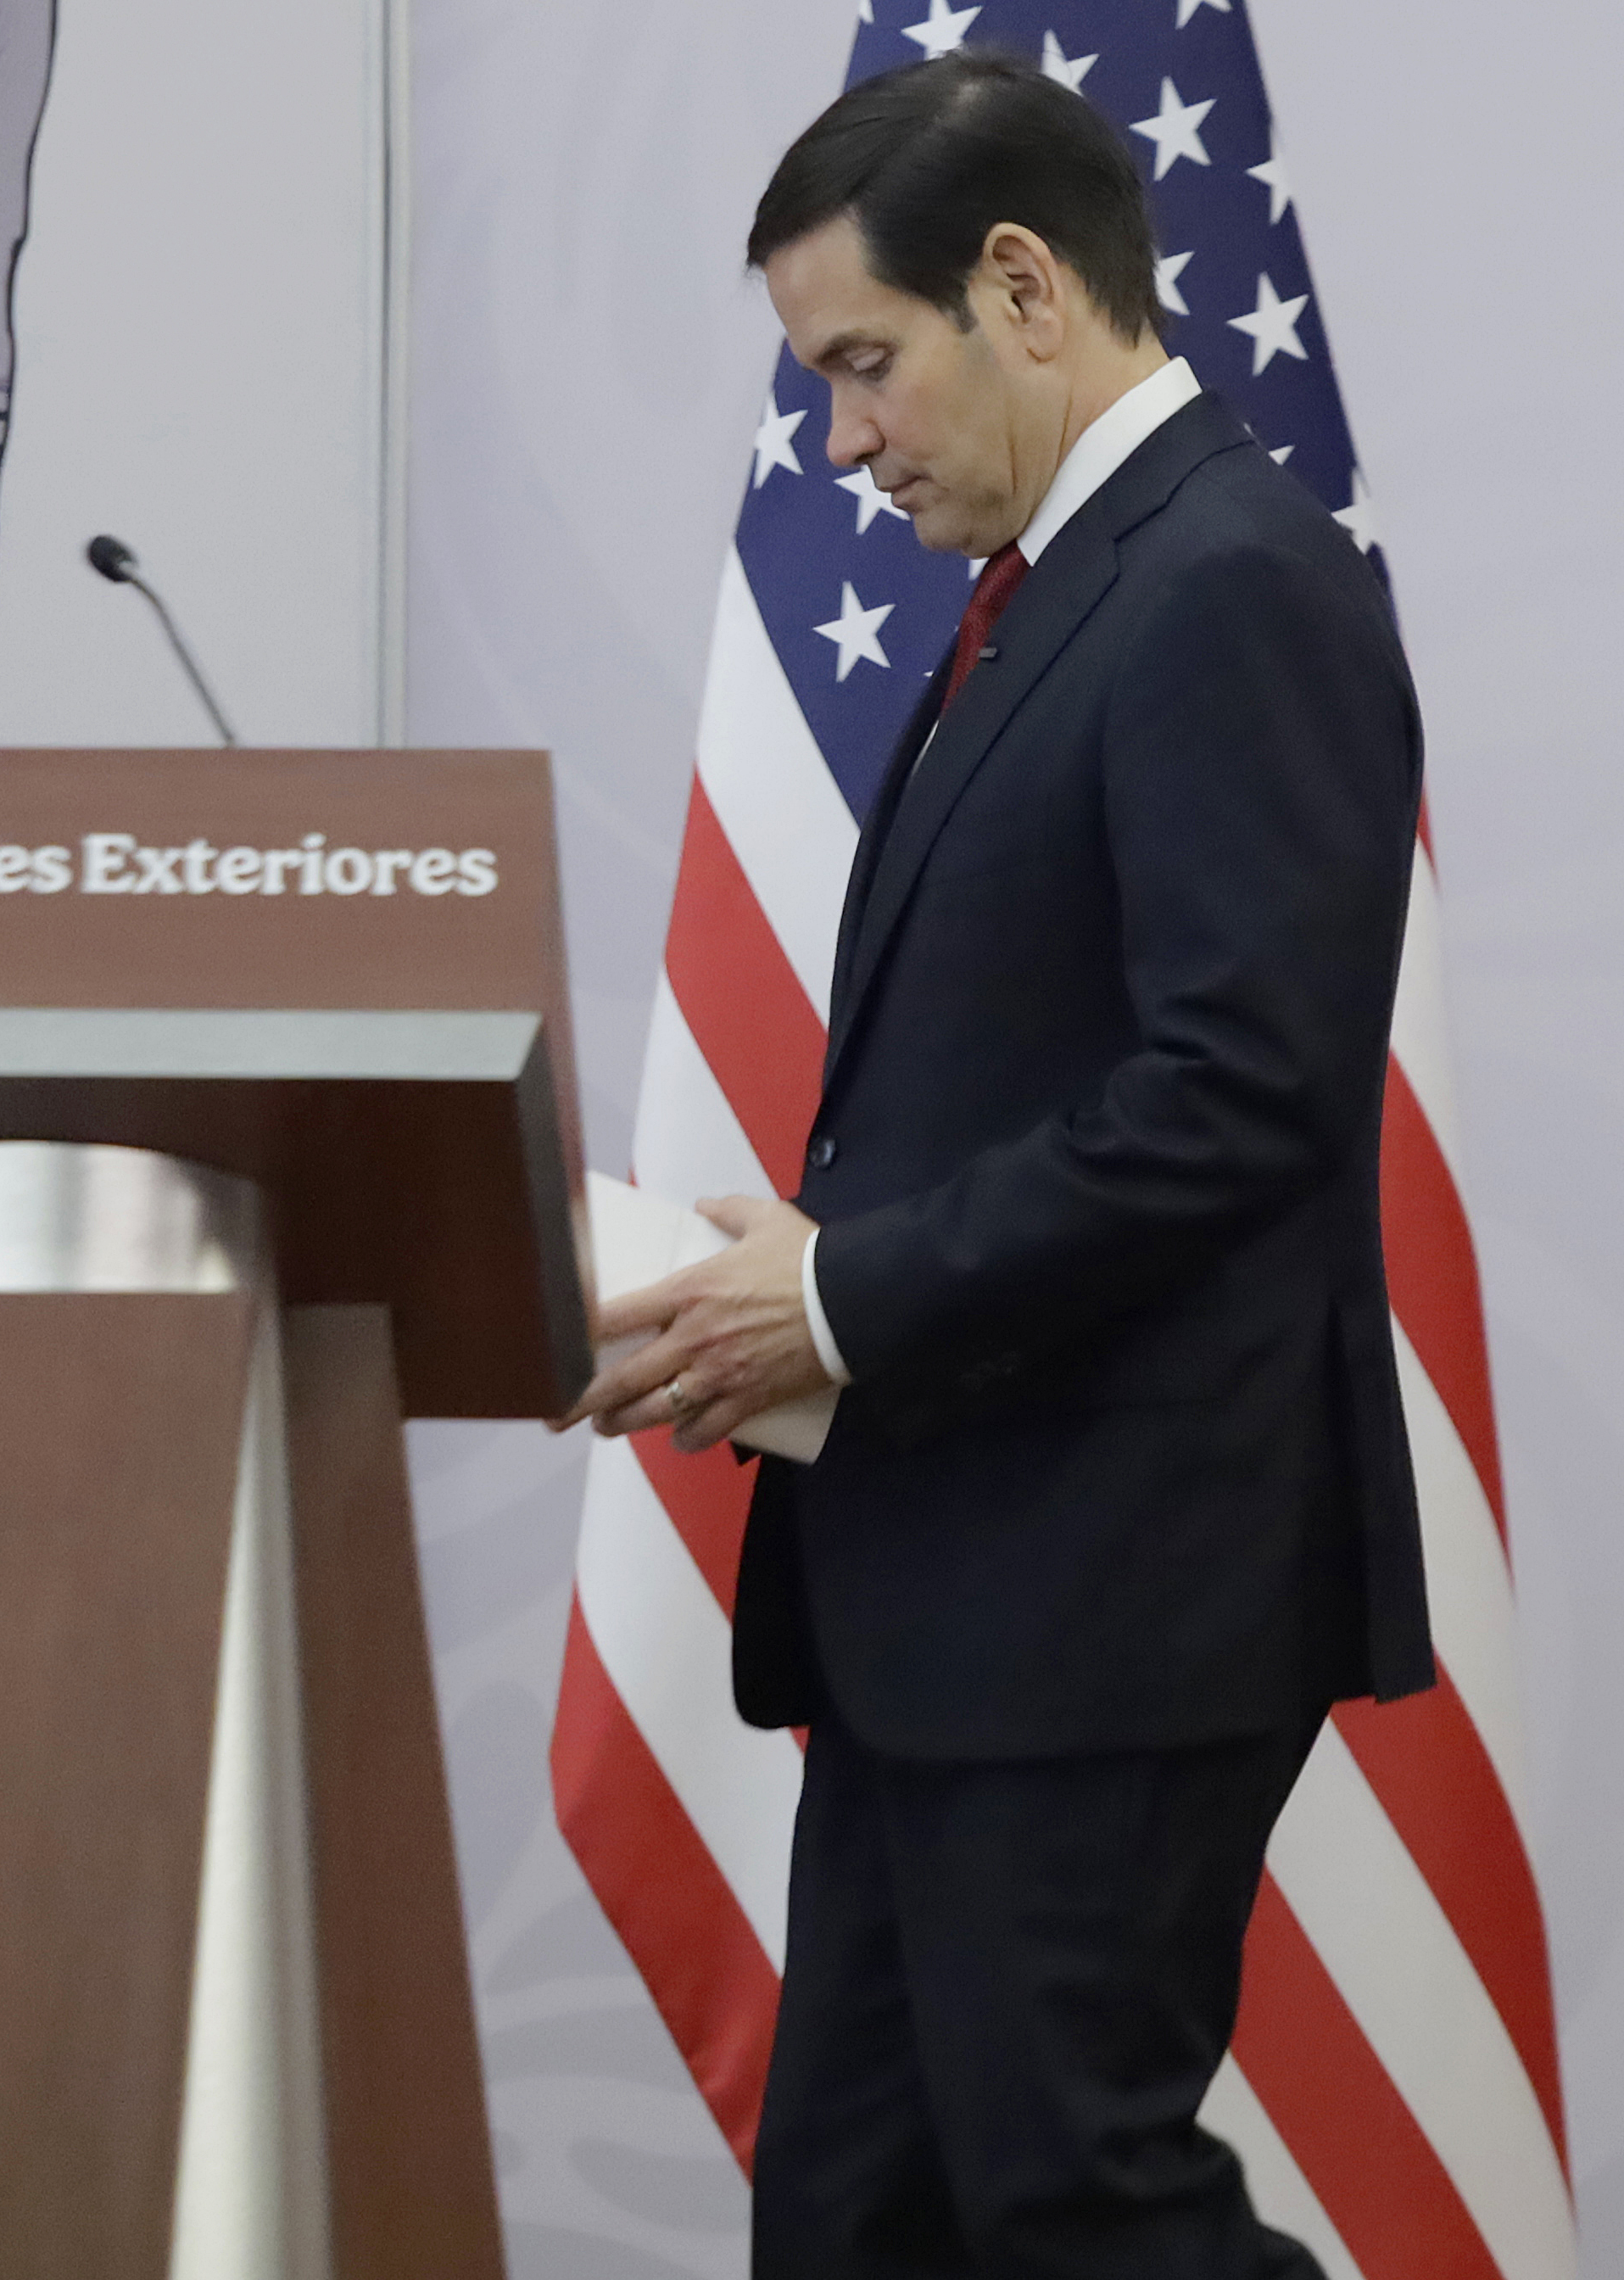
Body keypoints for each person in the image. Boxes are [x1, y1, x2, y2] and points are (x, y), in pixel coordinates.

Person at [568, 50, 1426, 2279]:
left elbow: (1240, 1097)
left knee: (1072, 2208)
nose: (844, 442)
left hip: (1113, 1595)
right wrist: (812, 1261)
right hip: (958, 1587)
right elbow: (1036, 1071)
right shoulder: (1060, 593)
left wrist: (837, 1297)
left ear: (1025, 289)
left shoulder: (1228, 582)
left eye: (866, 364)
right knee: (861, 2219)